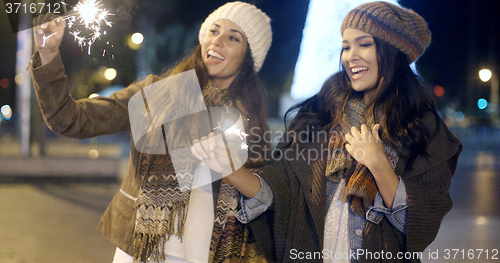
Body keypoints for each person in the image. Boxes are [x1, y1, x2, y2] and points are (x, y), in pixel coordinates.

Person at [191, 2, 463, 262]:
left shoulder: (423, 129)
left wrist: (379, 164)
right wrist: (231, 169)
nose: (350, 56)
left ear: (392, 52)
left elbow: (420, 225)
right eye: (346, 46)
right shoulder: (318, 118)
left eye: (364, 44)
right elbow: (278, 193)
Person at [30, 1, 272, 262]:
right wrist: (48, 55)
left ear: (248, 56)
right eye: (214, 31)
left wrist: (231, 168)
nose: (218, 41)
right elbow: (70, 119)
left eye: (233, 37)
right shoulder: (158, 94)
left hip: (209, 253)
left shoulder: (249, 122)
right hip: (141, 249)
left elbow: (264, 197)